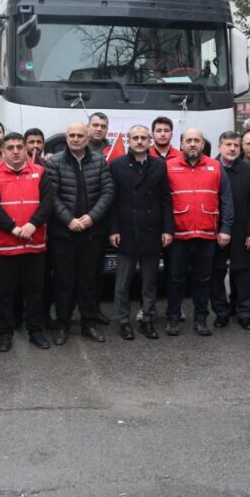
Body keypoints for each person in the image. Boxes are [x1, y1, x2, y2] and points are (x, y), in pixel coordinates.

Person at [0, 133, 55, 351]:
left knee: (35, 291)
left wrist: (33, 224)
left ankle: (36, 331)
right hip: (5, 246)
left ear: (26, 150)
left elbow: (48, 202)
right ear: (2, 151)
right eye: (10, 147)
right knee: (4, 293)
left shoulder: (40, 172)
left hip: (34, 244)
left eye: (19, 147)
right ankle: (5, 333)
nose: (15, 151)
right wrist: (14, 228)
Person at [46, 123, 115, 344]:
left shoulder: (100, 161)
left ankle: (89, 324)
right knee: (64, 281)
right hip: (63, 234)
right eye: (72, 135)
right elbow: (51, 196)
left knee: (89, 281)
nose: (75, 139)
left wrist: (91, 218)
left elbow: (107, 192)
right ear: (66, 137)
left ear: (87, 138)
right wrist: (69, 220)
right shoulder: (54, 162)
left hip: (92, 233)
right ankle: (63, 324)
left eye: (79, 135)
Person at [164, 128, 234, 337]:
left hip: (207, 235)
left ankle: (201, 319)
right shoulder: (168, 167)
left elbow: (227, 200)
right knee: (175, 279)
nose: (193, 144)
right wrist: (165, 230)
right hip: (178, 235)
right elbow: (162, 202)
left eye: (197, 141)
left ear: (203, 144)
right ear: (181, 143)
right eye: (189, 141)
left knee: (203, 280)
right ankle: (173, 318)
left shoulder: (215, 167)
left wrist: (226, 228)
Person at [109, 125, 172, 340]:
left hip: (152, 231)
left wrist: (167, 230)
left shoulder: (159, 166)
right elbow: (113, 201)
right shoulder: (117, 165)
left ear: (149, 140)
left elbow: (165, 200)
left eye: (143, 138)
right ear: (128, 140)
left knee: (149, 282)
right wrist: (114, 229)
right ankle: (124, 321)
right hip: (126, 230)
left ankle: (148, 319)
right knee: (122, 283)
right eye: (135, 137)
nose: (139, 141)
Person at [211, 132, 250, 329]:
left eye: (236, 145)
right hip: (214, 230)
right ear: (219, 146)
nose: (232, 148)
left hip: (242, 229)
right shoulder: (210, 168)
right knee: (216, 272)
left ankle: (244, 313)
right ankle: (221, 312)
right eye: (228, 144)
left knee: (244, 274)